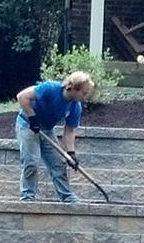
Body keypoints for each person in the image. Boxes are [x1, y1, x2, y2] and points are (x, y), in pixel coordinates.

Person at [15, 71, 96, 202]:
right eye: (84, 93)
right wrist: (32, 118)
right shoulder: (51, 89)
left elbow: (69, 131)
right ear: (75, 88)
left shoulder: (76, 107)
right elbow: (22, 96)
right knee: (32, 162)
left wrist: (71, 153)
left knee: (58, 164)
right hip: (27, 125)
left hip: (46, 130)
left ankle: (67, 197)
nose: (85, 97)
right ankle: (27, 198)